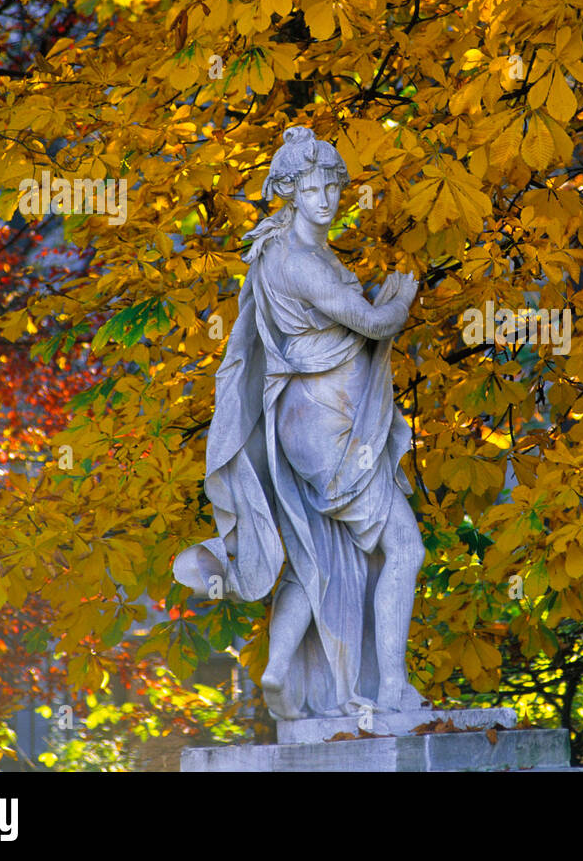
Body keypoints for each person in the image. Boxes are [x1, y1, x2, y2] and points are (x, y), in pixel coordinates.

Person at [173, 126, 427, 719]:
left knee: (318, 554)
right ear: (287, 193)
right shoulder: (299, 261)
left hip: (305, 425)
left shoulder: (287, 251)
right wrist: (401, 298)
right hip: (330, 431)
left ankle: (281, 668)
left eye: (331, 186)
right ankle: (391, 691)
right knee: (405, 548)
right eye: (310, 189)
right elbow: (373, 324)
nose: (325, 199)